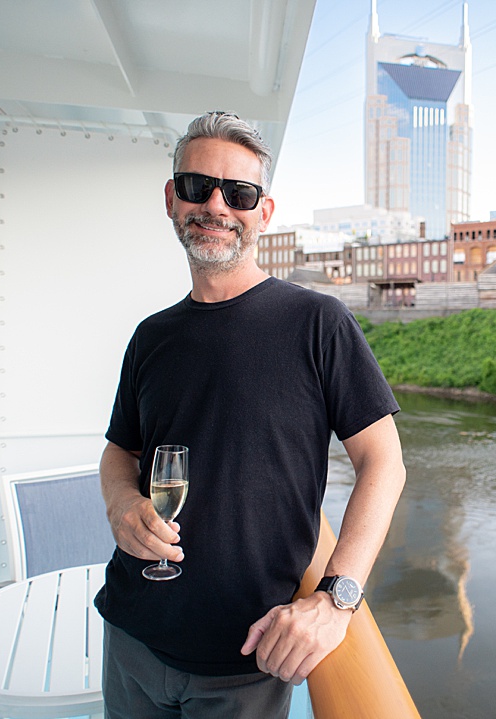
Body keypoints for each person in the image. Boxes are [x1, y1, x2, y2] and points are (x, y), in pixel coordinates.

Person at [95, 111, 406, 718]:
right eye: (196, 186)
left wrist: (336, 600)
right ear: (171, 198)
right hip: (130, 636)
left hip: (248, 658)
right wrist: (121, 504)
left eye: (238, 193)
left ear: (263, 212)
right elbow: (120, 452)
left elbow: (384, 462)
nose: (215, 205)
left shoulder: (318, 323)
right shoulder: (150, 337)